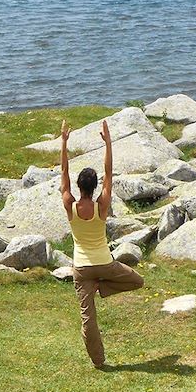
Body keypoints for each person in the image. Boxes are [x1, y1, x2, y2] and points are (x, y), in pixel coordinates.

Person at [61, 119, 144, 369]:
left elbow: (63, 173)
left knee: (89, 319)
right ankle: (104, 288)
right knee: (137, 281)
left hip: (82, 269)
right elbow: (109, 173)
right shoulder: (102, 205)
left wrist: (64, 142)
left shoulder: (70, 205)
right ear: (95, 187)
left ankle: (99, 362)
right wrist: (108, 143)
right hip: (105, 265)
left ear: (78, 187)